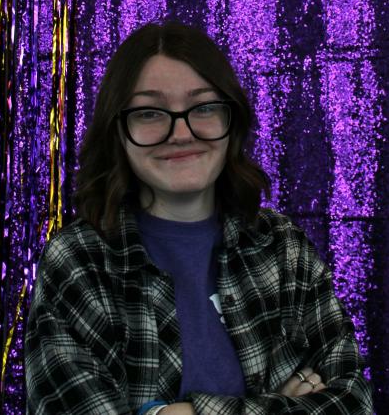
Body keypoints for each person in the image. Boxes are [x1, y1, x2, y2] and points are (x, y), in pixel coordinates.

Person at [24, 21, 373, 415]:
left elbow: (354, 401)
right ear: (117, 130)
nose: (181, 133)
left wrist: (179, 412)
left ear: (230, 121)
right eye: (150, 112)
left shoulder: (283, 248)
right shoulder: (78, 260)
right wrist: (280, 406)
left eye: (204, 107)